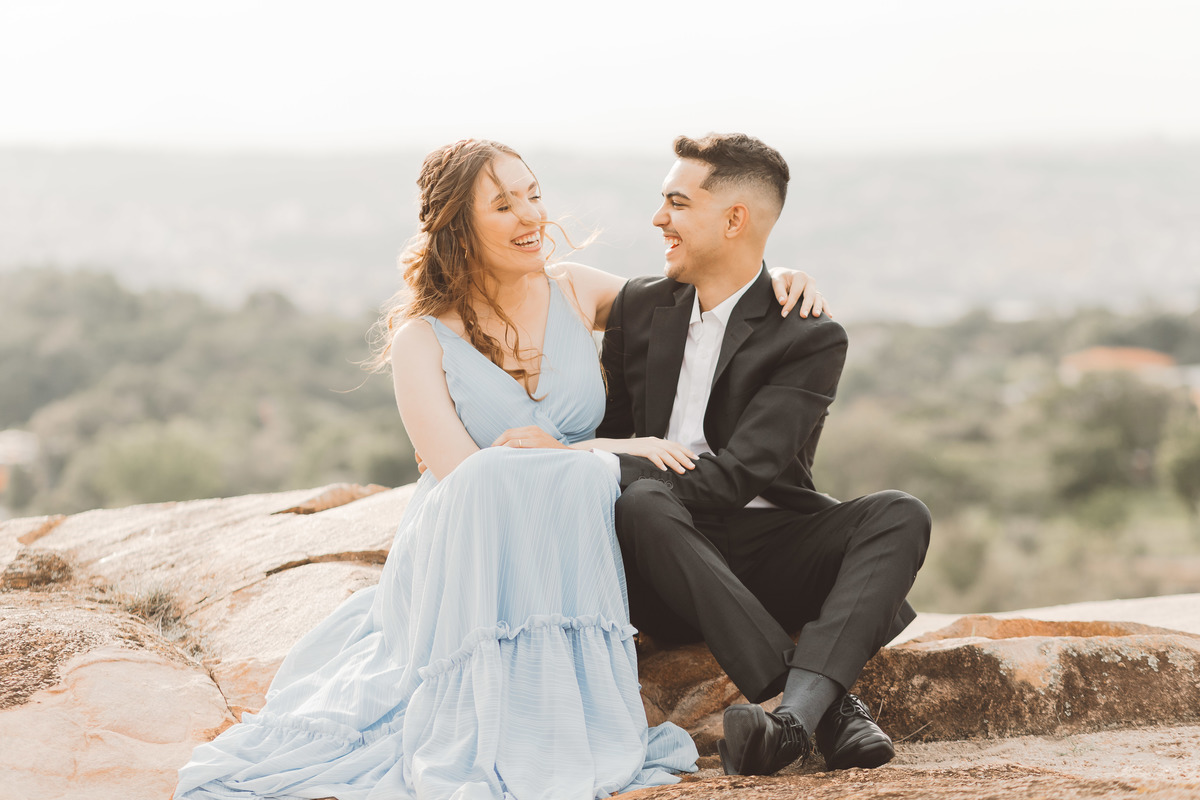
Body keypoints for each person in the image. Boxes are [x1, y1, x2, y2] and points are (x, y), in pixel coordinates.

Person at [174, 139, 824, 800]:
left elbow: (704, 295)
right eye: (504, 204)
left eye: (534, 195)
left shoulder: (574, 291)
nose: (530, 216)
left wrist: (775, 280)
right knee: (493, 481)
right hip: (474, 547)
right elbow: (467, 482)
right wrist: (609, 454)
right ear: (459, 227)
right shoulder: (421, 341)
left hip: (574, 541)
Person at [595, 133, 933, 776]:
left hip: (767, 545)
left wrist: (645, 475)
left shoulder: (807, 335)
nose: (658, 218)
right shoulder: (640, 307)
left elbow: (743, 474)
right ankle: (823, 713)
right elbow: (611, 435)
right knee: (642, 502)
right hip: (660, 559)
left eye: (675, 202)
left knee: (899, 512)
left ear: (734, 219)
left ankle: (788, 726)